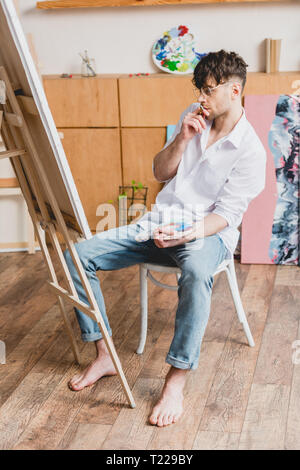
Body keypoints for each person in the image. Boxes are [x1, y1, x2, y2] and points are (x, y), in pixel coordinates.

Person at [63, 49, 266, 427]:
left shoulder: (251, 151)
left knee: (194, 273)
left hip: (207, 232)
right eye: (199, 90)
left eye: (208, 91)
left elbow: (226, 216)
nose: (201, 99)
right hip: (160, 222)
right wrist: (182, 138)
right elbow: (160, 172)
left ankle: (176, 380)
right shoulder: (192, 117)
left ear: (234, 91)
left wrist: (187, 234)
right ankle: (104, 354)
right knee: (78, 254)